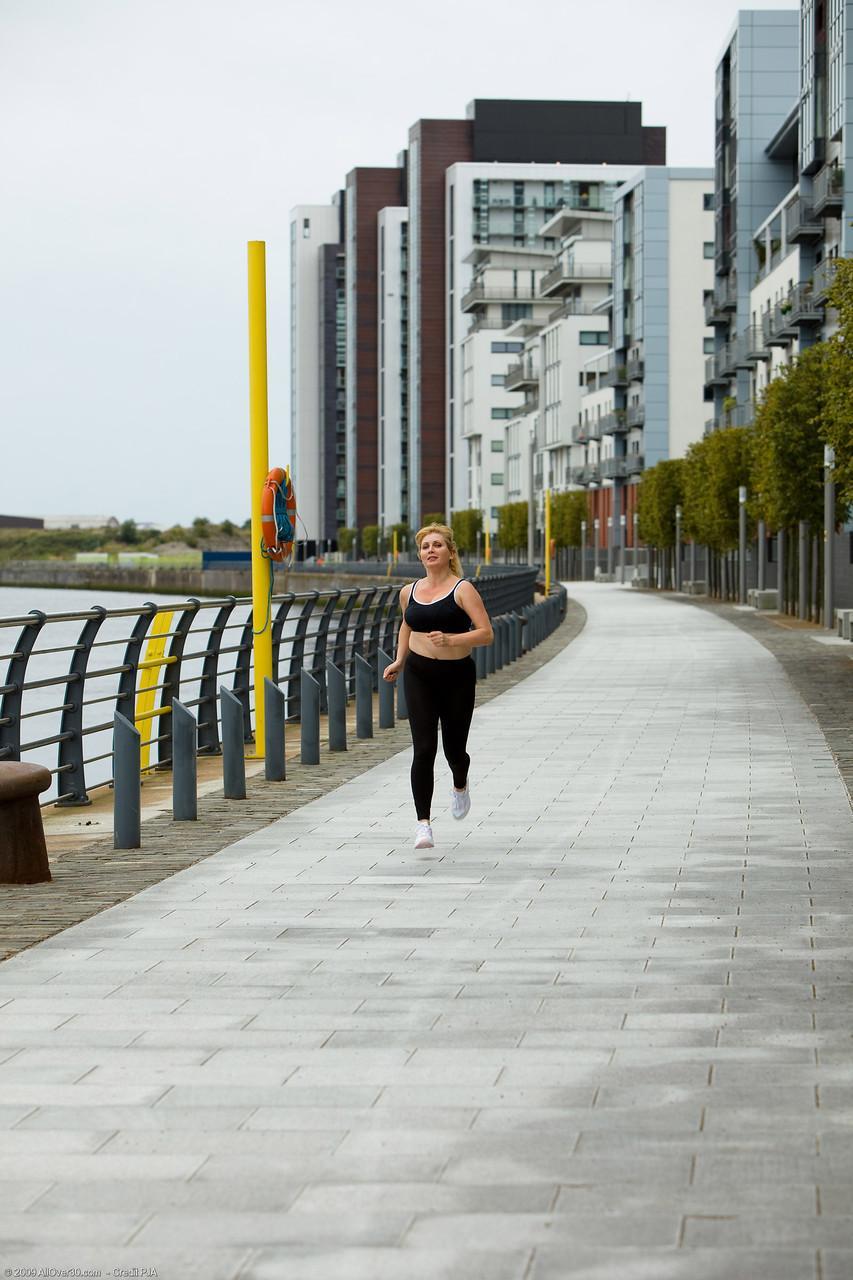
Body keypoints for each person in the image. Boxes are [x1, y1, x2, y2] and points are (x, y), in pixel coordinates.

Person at [383, 522, 493, 849]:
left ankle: (460, 784)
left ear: (450, 552)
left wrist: (451, 639)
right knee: (424, 748)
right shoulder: (409, 591)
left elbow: (486, 633)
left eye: (437, 545)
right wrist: (400, 660)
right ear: (420, 555)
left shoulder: (462, 589)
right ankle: (423, 825)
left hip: (457, 675)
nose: (431, 550)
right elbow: (407, 625)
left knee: (454, 751)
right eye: (425, 546)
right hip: (419, 674)